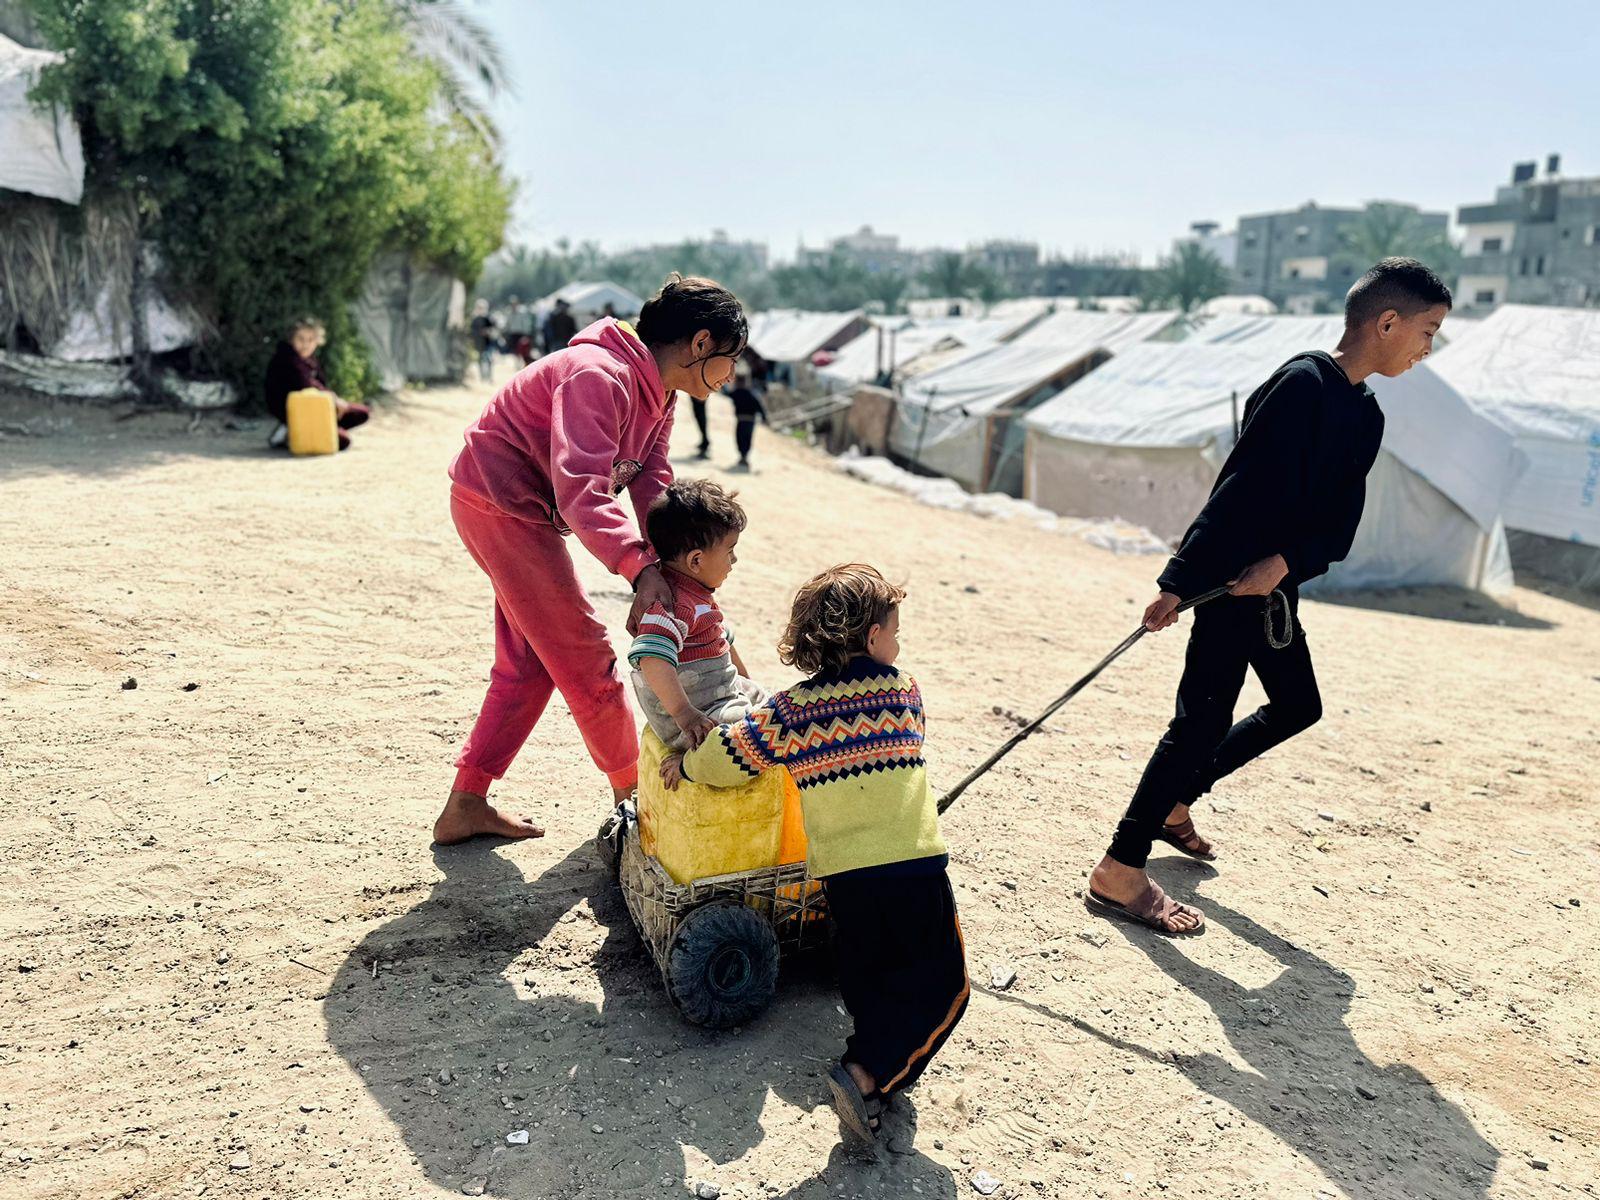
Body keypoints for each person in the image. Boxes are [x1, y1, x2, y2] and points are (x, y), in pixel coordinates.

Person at [1085, 258, 1452, 935]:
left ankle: (1176, 801)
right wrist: (1178, 580)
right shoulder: (1300, 385)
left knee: (1297, 705)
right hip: (1227, 582)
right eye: (1427, 331)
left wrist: (1285, 562)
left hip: (1273, 586)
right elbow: (1240, 488)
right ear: (1388, 321)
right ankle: (1120, 868)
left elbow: (1339, 523)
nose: (1429, 348)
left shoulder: (1366, 414)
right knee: (1198, 722)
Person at [434, 275, 748, 845]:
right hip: (499, 504)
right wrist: (640, 569)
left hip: (520, 510)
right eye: (729, 362)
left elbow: (653, 483)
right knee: (589, 663)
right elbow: (582, 488)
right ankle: (639, 807)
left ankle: (466, 803)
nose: (730, 379)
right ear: (700, 344)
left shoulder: (661, 394)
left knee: (531, 664)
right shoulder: (597, 376)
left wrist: (672, 569)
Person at [663, 564, 966, 1147]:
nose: (898, 644)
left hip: (843, 874)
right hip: (911, 864)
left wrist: (688, 764)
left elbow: (731, 755)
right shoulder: (901, 689)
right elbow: (912, 746)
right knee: (945, 986)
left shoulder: (792, 711)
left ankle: (869, 1062)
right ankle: (868, 1075)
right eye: (894, 632)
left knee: (868, 972)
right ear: (873, 636)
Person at [626, 479, 766, 750]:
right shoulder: (672, 605)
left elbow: (723, 641)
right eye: (730, 550)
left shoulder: (696, 593)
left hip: (720, 694)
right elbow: (652, 657)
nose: (734, 560)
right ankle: (686, 762)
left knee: (771, 705)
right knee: (748, 731)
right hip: (696, 713)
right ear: (696, 561)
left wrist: (746, 684)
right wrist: (684, 715)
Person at [262, 316, 370, 451]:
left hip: (316, 406)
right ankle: (289, 430)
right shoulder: (287, 358)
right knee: (342, 441)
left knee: (361, 413)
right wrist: (334, 400)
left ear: (317, 341)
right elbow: (305, 385)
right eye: (300, 339)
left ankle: (322, 427)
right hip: (292, 409)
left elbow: (320, 384)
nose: (305, 344)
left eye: (310, 340)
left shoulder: (309, 359)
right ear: (292, 339)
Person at [726, 365, 768, 471]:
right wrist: (764, 418)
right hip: (748, 420)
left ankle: (743, 457)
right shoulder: (750, 393)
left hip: (745, 420)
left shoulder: (739, 393)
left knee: (741, 438)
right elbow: (760, 407)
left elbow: (726, 393)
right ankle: (743, 457)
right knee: (744, 439)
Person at [469, 299, 498, 383]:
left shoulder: (488, 318)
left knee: (489, 360)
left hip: (488, 342)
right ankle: (482, 377)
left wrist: (487, 331)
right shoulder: (475, 319)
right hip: (479, 343)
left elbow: (494, 329)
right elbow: (472, 331)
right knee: (480, 360)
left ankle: (489, 377)